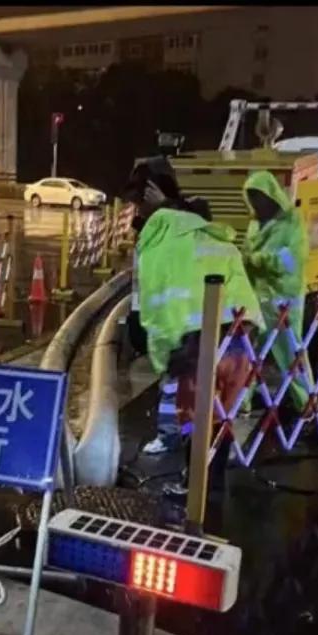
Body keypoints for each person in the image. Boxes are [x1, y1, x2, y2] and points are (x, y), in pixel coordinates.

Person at [127, 166, 263, 495]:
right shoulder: (206, 232)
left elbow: (162, 309)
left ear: (147, 199)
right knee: (218, 419)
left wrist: (165, 354)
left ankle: (198, 500)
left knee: (194, 420)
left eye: (136, 202)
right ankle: (206, 491)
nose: (134, 211)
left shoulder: (160, 246)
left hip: (198, 338)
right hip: (242, 332)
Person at [123, 158, 214, 456]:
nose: (137, 208)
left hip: (187, 320)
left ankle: (178, 437)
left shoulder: (188, 216)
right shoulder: (151, 225)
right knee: (177, 383)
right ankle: (184, 436)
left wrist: (166, 207)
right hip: (167, 320)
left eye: (141, 201)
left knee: (178, 384)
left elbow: (196, 225)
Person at [241, 170, 311, 411]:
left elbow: (292, 260)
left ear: (271, 195)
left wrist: (259, 260)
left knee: (290, 353)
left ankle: (305, 401)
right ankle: (241, 402)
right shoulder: (254, 224)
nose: (255, 202)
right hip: (257, 297)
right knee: (249, 353)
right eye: (251, 196)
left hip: (284, 298)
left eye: (259, 195)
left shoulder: (292, 222)